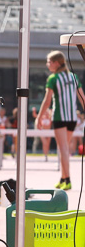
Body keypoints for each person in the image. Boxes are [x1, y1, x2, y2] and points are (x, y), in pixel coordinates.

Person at [37, 50, 85, 190]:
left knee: (63, 148)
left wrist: (39, 117)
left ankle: (68, 179)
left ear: (56, 63)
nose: (47, 64)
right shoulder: (73, 77)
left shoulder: (53, 78)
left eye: (49, 62)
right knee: (63, 147)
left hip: (59, 117)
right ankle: (63, 178)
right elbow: (82, 98)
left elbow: (47, 101)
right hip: (72, 118)